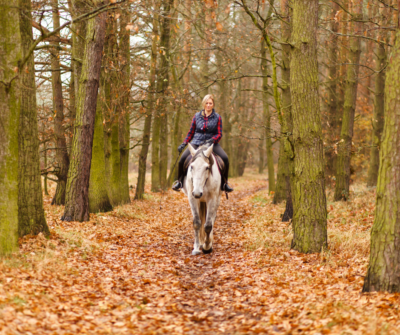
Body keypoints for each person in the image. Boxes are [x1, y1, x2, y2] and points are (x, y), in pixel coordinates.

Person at [172, 94, 234, 193]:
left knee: (225, 158)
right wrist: (184, 143)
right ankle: (179, 182)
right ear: (203, 104)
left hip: (211, 144)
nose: (208, 105)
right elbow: (191, 132)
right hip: (196, 142)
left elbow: (219, 134)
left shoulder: (218, 117)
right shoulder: (196, 116)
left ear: (213, 105)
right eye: (206, 103)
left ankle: (225, 184)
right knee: (182, 160)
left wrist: (212, 140)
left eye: (210, 103)